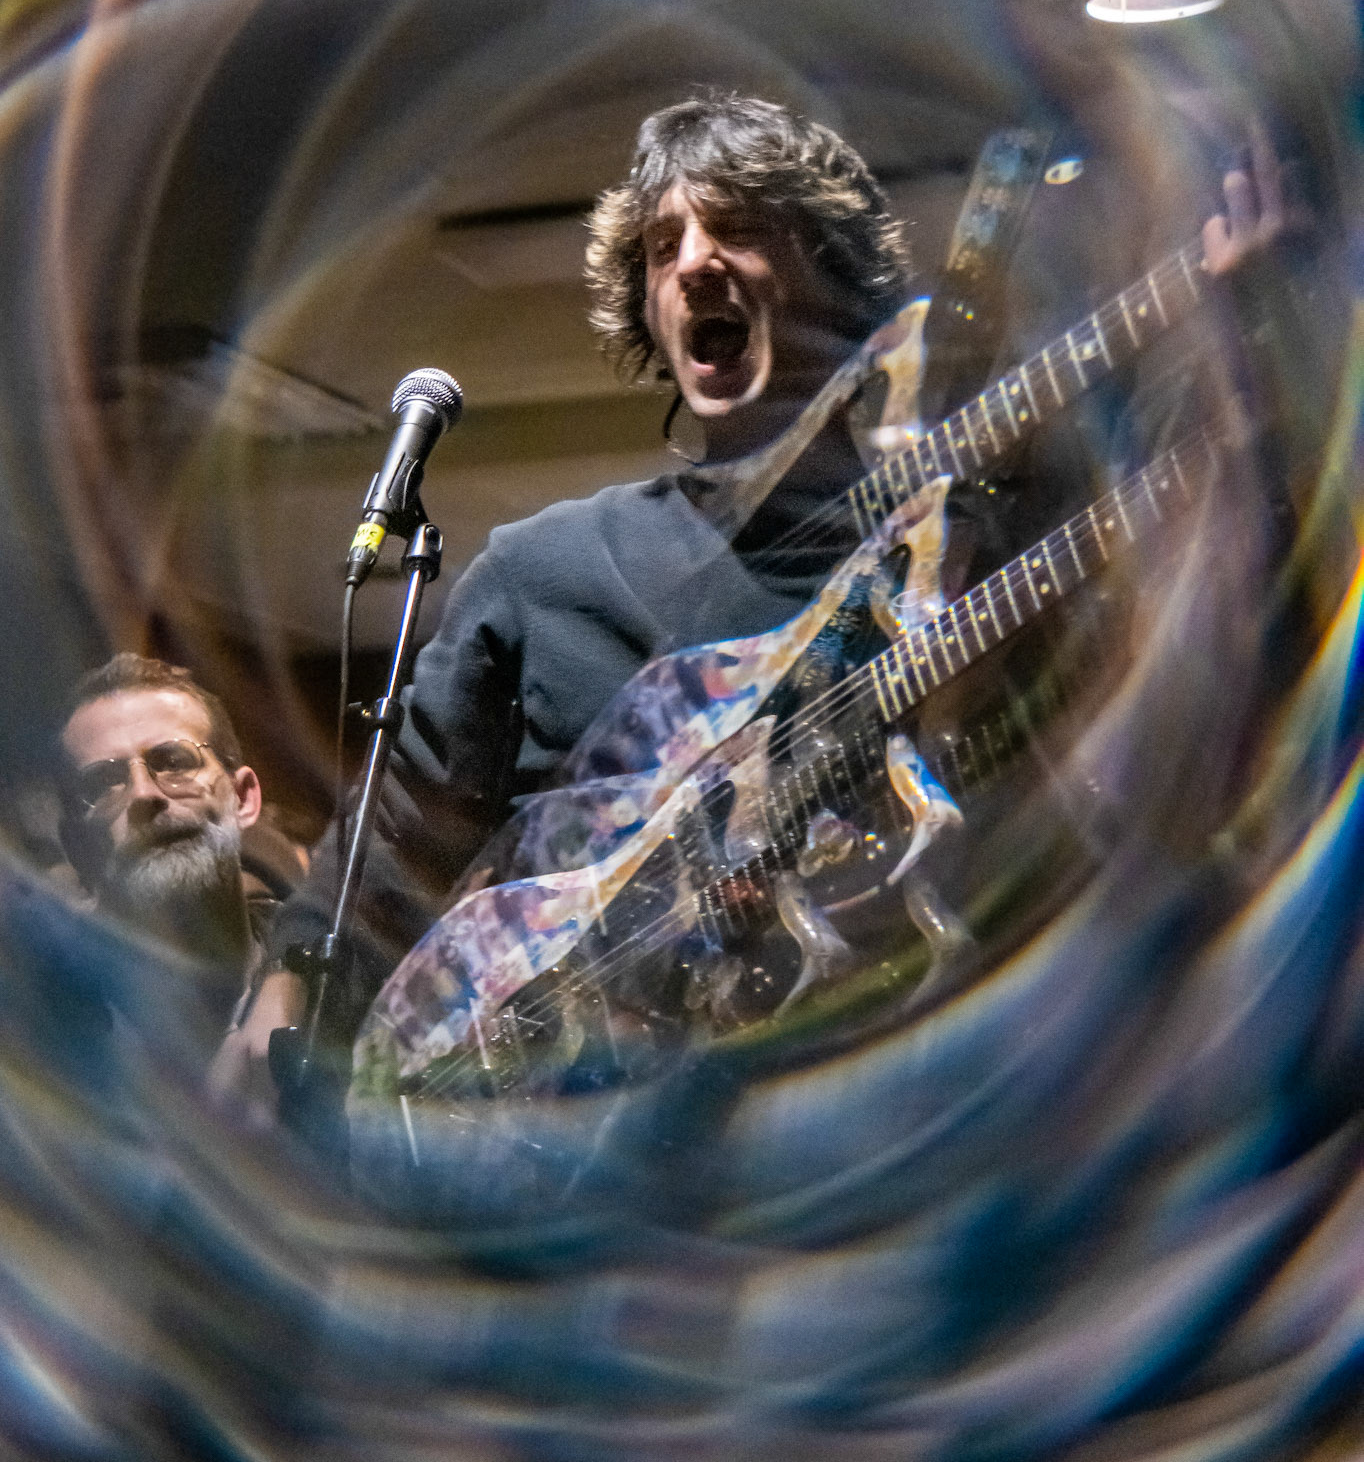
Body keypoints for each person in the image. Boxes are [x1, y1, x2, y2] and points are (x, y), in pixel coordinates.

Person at [218, 88, 1286, 1115]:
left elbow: (1198, 667)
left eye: (736, 227)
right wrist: (281, 998)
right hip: (592, 1142)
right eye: (661, 246)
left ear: (831, 272)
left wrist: (1256, 344)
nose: (693, 260)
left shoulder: (976, 541)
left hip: (921, 1097)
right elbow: (395, 841)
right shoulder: (546, 573)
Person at [58, 653, 289, 1050]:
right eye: (103, 783)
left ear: (243, 798)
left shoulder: (337, 981)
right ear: (76, 845)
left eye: (174, 761)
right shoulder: (39, 1033)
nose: (143, 794)